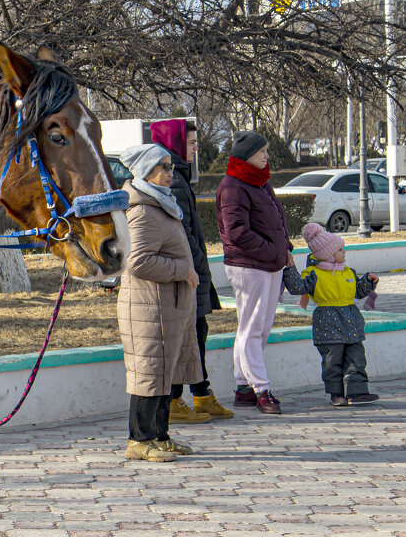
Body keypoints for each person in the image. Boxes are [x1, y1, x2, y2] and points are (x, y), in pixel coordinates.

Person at [117, 144, 203, 462]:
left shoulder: (161, 204)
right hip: (148, 308)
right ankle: (139, 439)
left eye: (171, 166)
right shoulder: (143, 210)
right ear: (145, 172)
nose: (170, 173)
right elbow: (138, 261)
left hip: (167, 307)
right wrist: (183, 270)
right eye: (163, 167)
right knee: (149, 372)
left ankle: (160, 436)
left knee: (164, 372)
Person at [150, 119, 233, 422]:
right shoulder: (175, 180)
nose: (196, 148)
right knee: (189, 336)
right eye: (192, 142)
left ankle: (200, 394)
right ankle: (177, 400)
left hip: (192, 270)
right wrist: (195, 264)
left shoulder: (180, 176)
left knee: (196, 334)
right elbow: (182, 232)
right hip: (187, 272)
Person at [216, 131, 294, 415]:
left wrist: (285, 248)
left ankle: (243, 388)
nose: (267, 156)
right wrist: (270, 251)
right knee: (252, 328)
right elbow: (237, 232)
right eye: (262, 151)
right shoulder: (232, 185)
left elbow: (278, 220)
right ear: (247, 155)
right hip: (248, 267)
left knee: (258, 328)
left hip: (270, 264)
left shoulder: (260, 182)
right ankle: (261, 388)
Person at [282, 223, 380, 406]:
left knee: (357, 358)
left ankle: (357, 392)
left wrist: (367, 282)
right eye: (340, 249)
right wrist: (290, 268)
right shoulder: (314, 274)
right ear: (327, 254)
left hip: (351, 324)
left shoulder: (348, 272)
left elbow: (357, 292)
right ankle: (336, 394)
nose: (344, 252)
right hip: (328, 324)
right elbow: (297, 287)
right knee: (332, 361)